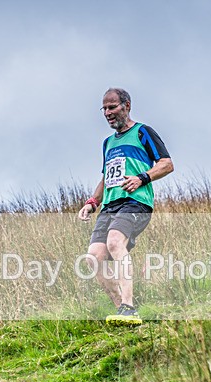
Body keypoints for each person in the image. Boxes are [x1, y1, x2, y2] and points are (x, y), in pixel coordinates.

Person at [78, 88, 174, 325]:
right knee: (92, 259)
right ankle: (121, 312)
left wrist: (142, 178)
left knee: (114, 242)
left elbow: (167, 163)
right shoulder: (107, 143)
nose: (108, 113)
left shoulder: (143, 132)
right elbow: (105, 177)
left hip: (136, 202)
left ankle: (129, 307)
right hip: (109, 206)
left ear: (126, 105)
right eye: (105, 109)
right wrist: (92, 202)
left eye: (112, 107)